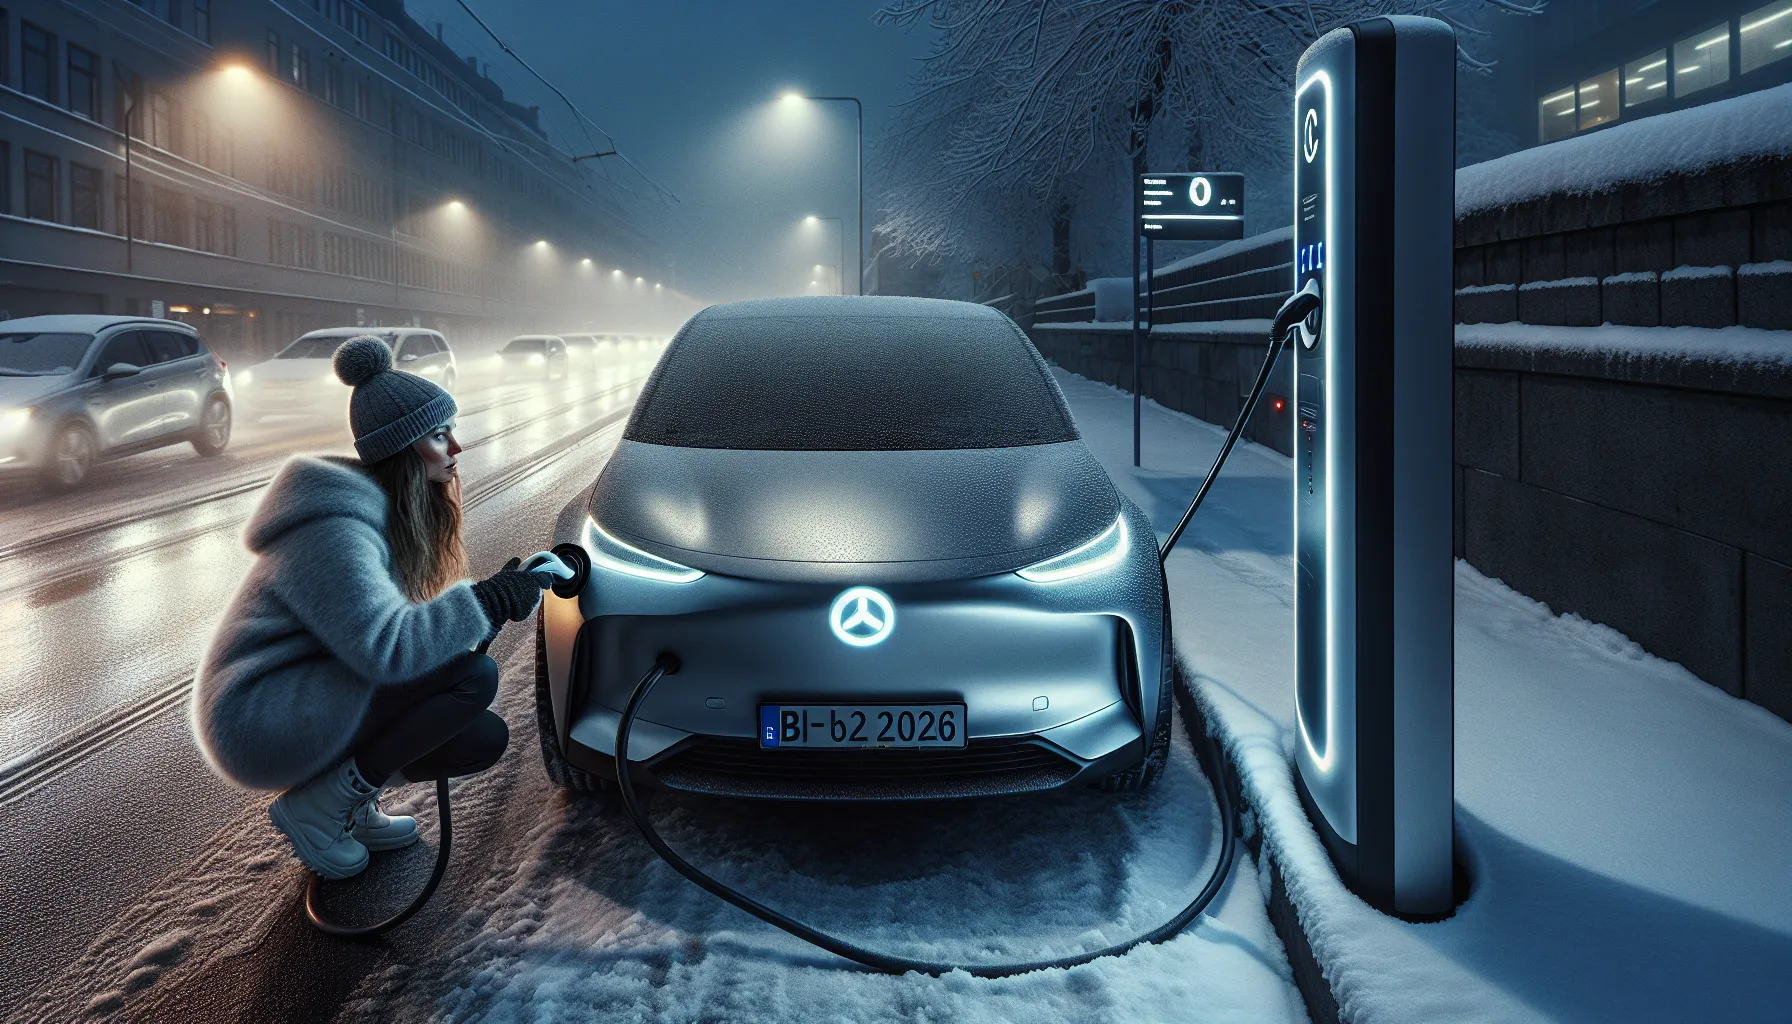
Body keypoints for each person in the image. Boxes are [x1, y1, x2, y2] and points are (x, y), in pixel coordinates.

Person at [192, 336, 568, 879]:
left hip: (311, 689)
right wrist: (485, 601)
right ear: (404, 448)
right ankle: (321, 807)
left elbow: (401, 644)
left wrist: (496, 596)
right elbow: (388, 650)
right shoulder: (333, 531)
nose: (456, 447)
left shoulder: (385, 515)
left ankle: (345, 800)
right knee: (474, 679)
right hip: (258, 717)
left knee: (479, 738)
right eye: (439, 435)